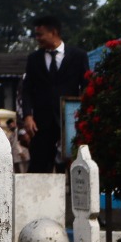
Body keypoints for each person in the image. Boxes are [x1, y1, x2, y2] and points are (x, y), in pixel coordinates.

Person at [19, 15, 88, 174]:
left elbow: (86, 86)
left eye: (40, 34)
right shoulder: (34, 59)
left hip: (70, 120)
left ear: (54, 32)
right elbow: (27, 89)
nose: (37, 39)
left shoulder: (78, 56)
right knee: (39, 167)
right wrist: (28, 115)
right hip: (41, 123)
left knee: (73, 167)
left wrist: (83, 114)